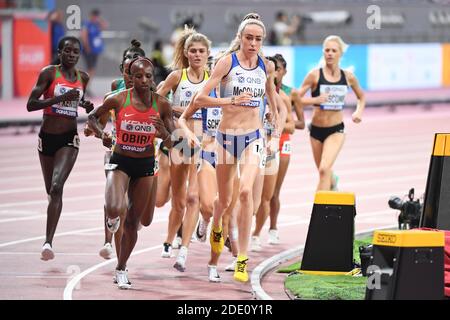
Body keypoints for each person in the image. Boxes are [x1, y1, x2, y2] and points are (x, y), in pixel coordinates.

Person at [194, 13, 279, 282]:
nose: (253, 43)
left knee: (245, 193)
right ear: (240, 38)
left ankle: (242, 258)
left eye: (258, 39)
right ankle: (216, 223)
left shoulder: (265, 65)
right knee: (224, 200)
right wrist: (229, 101)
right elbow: (201, 97)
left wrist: (274, 119)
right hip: (226, 138)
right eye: (249, 38)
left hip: (253, 137)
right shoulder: (226, 63)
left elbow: (270, 94)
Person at [88, 57, 174, 289]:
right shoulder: (118, 99)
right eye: (138, 76)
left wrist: (163, 131)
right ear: (130, 77)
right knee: (116, 208)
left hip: (145, 165)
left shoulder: (162, 104)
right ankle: (111, 217)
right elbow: (92, 118)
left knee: (135, 221)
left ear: (153, 77)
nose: (144, 80)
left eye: (148, 76)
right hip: (121, 160)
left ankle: (121, 267)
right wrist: (101, 134)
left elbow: (174, 142)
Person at [26, 36, 93, 261]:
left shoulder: (83, 77)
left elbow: (79, 101)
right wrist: (59, 98)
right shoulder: (48, 73)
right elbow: (30, 105)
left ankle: (48, 243)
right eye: (68, 51)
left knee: (56, 187)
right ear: (59, 52)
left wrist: (85, 105)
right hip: (47, 138)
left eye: (76, 52)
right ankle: (53, 210)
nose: (72, 55)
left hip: (68, 138)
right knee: (51, 191)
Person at [84, 39, 147, 260]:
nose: (130, 75)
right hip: (117, 150)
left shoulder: (151, 90)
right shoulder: (115, 90)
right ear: (122, 69)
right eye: (126, 69)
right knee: (114, 199)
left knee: (136, 212)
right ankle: (108, 241)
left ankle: (129, 221)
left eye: (135, 69)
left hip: (144, 154)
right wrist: (99, 132)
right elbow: (98, 119)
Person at [156, 27, 211, 272]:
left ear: (208, 54)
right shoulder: (177, 77)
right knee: (178, 200)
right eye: (193, 51)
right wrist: (178, 111)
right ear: (186, 53)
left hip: (205, 143)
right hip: (180, 139)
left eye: (201, 51)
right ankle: (169, 240)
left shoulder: (214, 79)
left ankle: (190, 242)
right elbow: (156, 101)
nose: (197, 55)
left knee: (195, 198)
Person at [293, 35, 365, 191]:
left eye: (334, 50)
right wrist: (315, 100)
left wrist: (358, 111)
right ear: (323, 52)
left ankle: (318, 211)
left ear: (340, 54)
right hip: (316, 131)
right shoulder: (314, 75)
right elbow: (295, 99)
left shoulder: (348, 77)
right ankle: (333, 179)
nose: (330, 53)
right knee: (324, 172)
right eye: (327, 50)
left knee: (323, 169)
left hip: (336, 130)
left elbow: (362, 96)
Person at [81, 8, 108, 96]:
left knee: (91, 69)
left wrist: (100, 19)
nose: (96, 18)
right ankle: (85, 86)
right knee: (90, 69)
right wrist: (87, 46)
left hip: (95, 50)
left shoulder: (97, 24)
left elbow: (105, 26)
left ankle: (87, 87)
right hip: (89, 50)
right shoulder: (87, 23)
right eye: (95, 16)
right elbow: (84, 35)